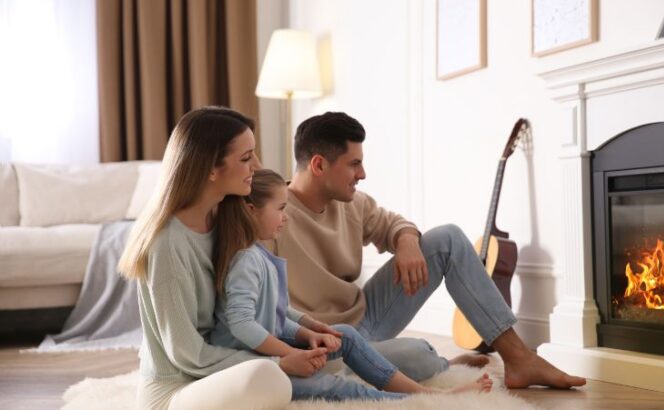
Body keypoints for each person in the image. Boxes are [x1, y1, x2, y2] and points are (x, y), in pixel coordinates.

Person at [273, 111, 587, 389]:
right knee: (417, 354)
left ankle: (519, 358)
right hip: (325, 340)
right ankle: (443, 364)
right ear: (318, 165)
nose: (363, 174)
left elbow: (394, 223)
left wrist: (407, 241)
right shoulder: (272, 216)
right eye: (354, 164)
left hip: (365, 315)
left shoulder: (355, 203)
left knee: (447, 238)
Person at [210, 169, 492, 401]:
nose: (286, 216)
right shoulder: (245, 261)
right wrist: (292, 354)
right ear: (250, 211)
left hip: (272, 352)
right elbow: (243, 325)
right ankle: (412, 400)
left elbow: (274, 315)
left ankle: (423, 391)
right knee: (333, 386)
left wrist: (309, 331)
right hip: (256, 367)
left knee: (344, 334)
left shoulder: (258, 254)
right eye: (281, 209)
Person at [118, 107, 300, 410]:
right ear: (210, 169)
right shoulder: (166, 243)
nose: (256, 165)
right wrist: (277, 360)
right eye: (245, 158)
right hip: (174, 390)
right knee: (270, 376)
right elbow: (185, 353)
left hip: (216, 373)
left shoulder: (226, 215)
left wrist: (305, 333)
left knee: (316, 362)